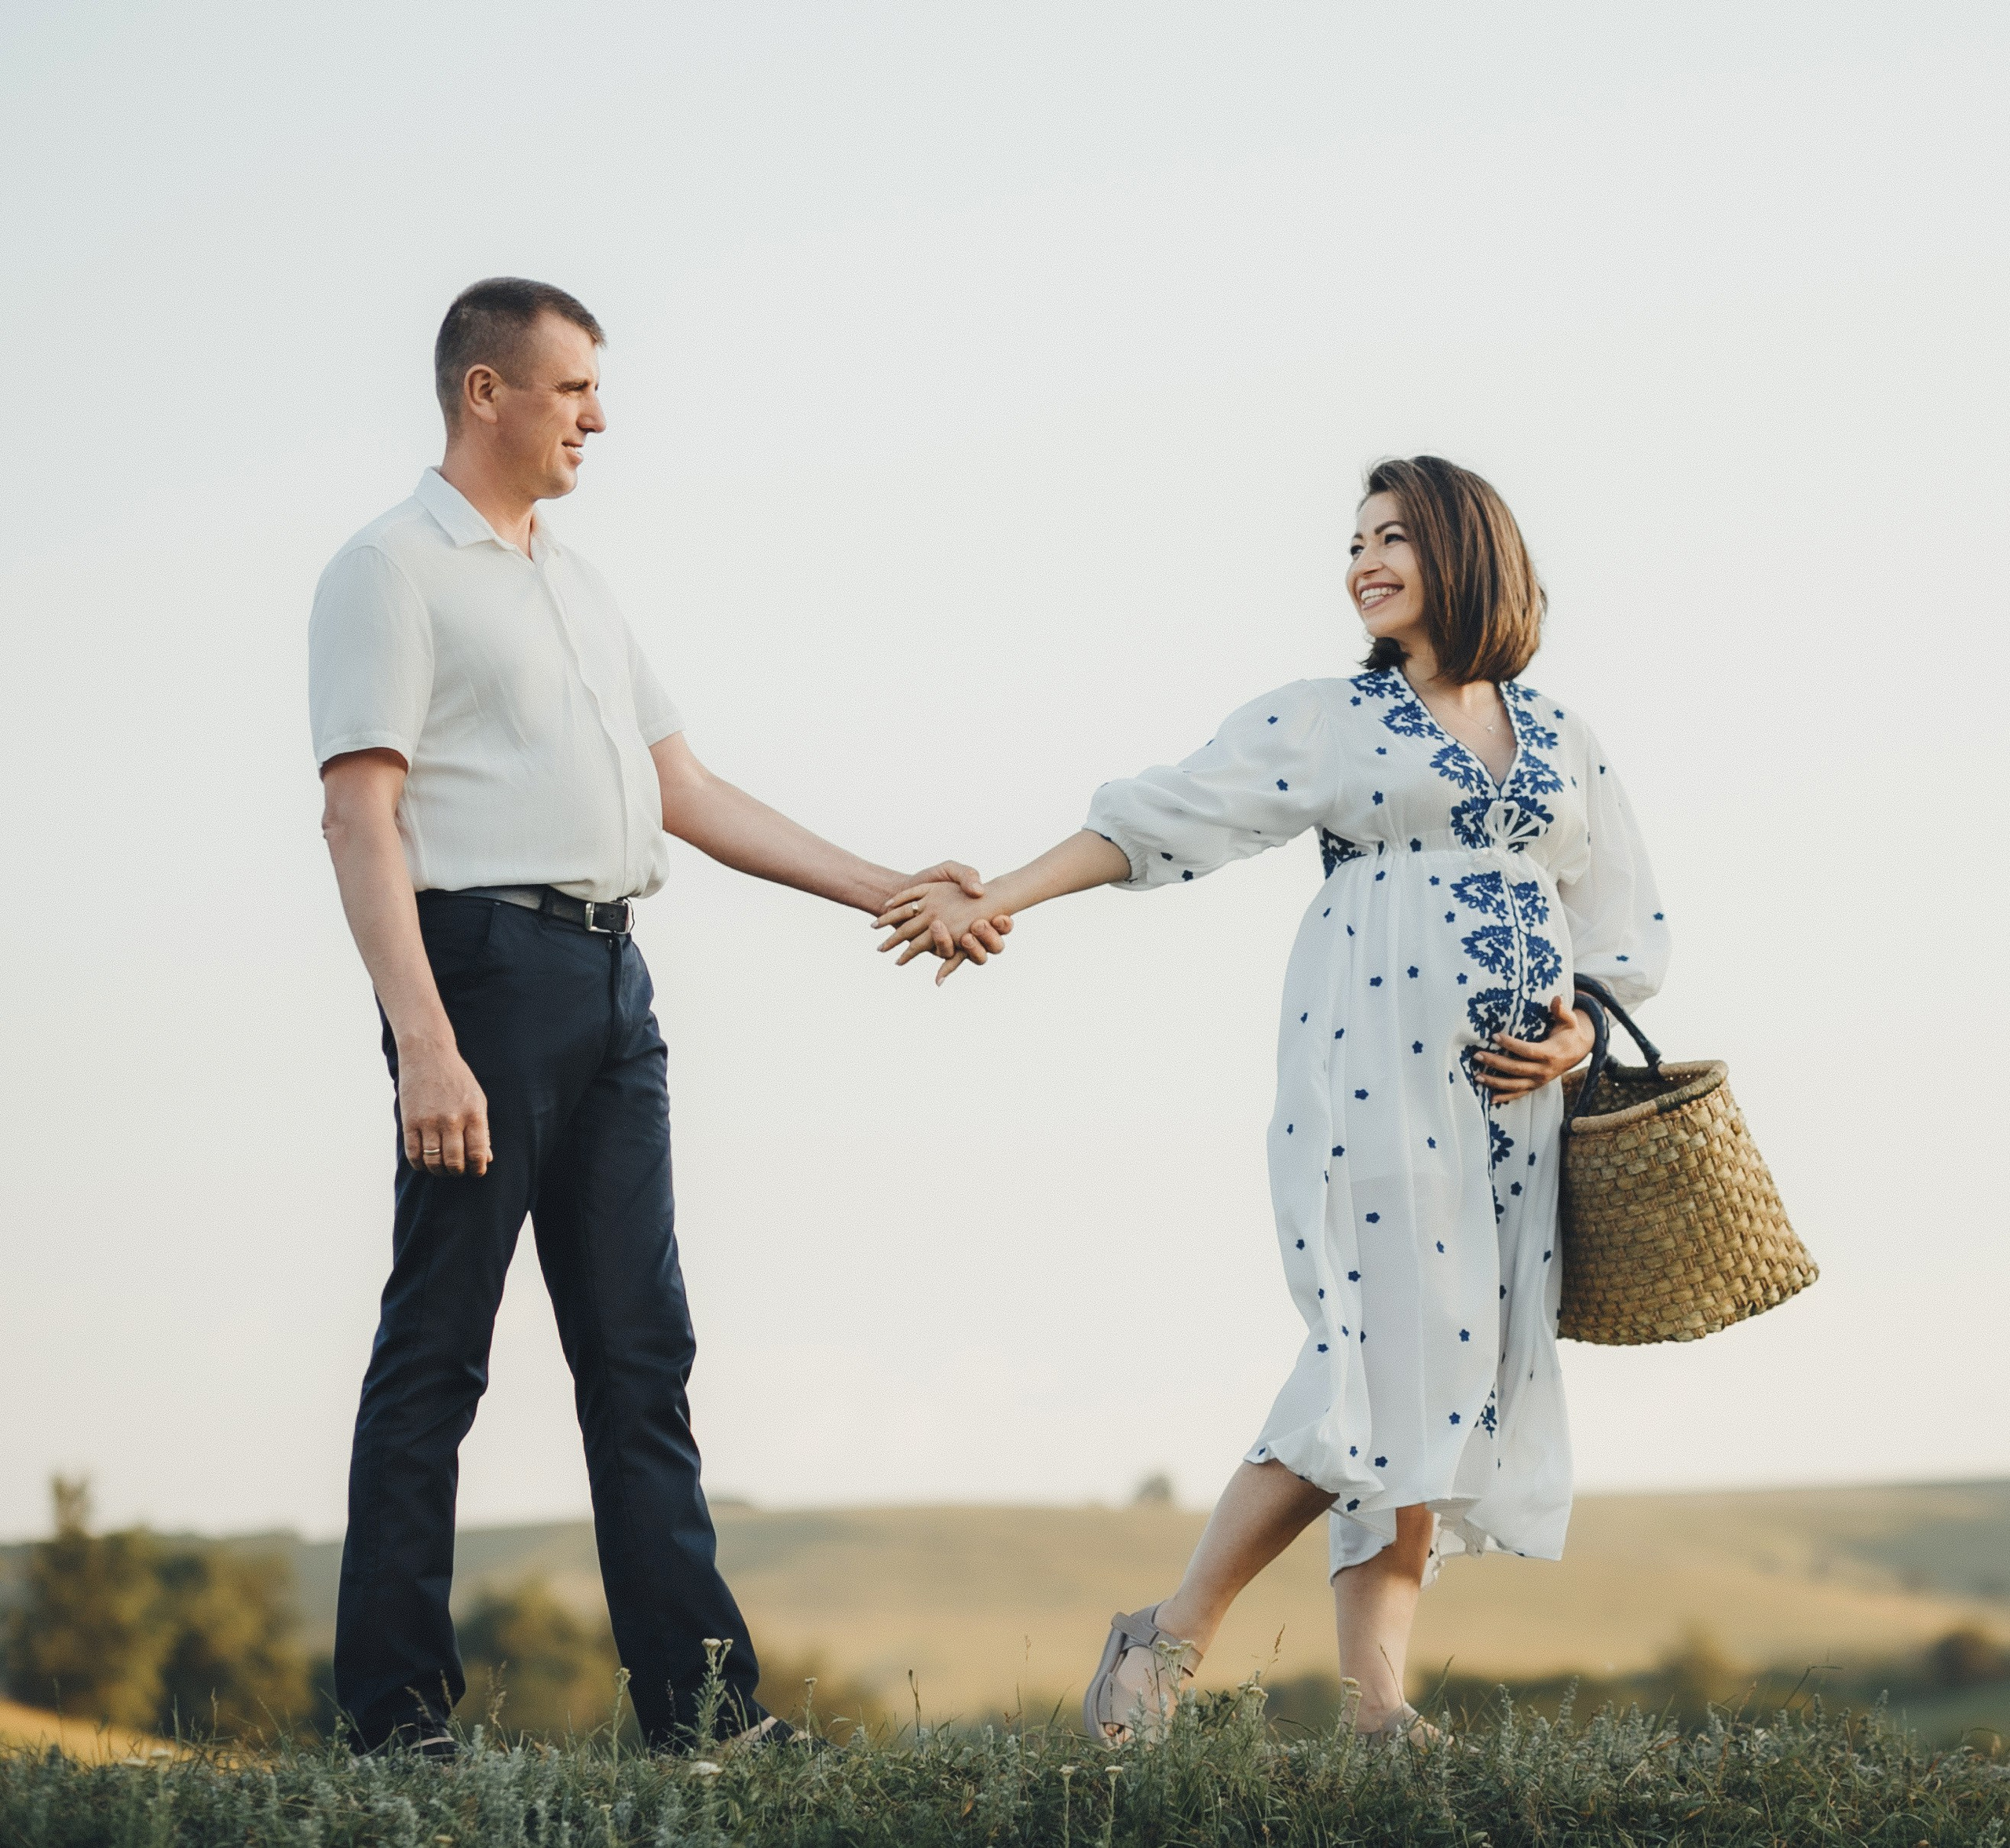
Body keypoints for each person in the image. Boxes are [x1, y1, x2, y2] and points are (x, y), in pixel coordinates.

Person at [309, 276, 1003, 1753]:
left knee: (643, 1359)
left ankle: (704, 1717)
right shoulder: (388, 571)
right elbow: (361, 820)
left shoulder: (577, 581)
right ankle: (395, 1722)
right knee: (438, 1352)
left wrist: (891, 884)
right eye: (574, 392)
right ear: (485, 392)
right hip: (480, 978)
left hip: (617, 988)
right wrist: (426, 1042)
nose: (599, 419)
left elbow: (683, 791)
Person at [876, 455, 1669, 1744]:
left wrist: (1577, 1027)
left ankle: (1376, 1707)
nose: (1362, 558)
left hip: (1513, 1106)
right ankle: (1169, 1632)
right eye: (1354, 539)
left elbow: (1617, 914)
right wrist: (998, 895)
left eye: (1394, 536)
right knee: (1376, 1352)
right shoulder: (1330, 718)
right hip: (1375, 1059)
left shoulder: (1563, 734)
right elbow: (1165, 815)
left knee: (1446, 1370)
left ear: (1470, 550)